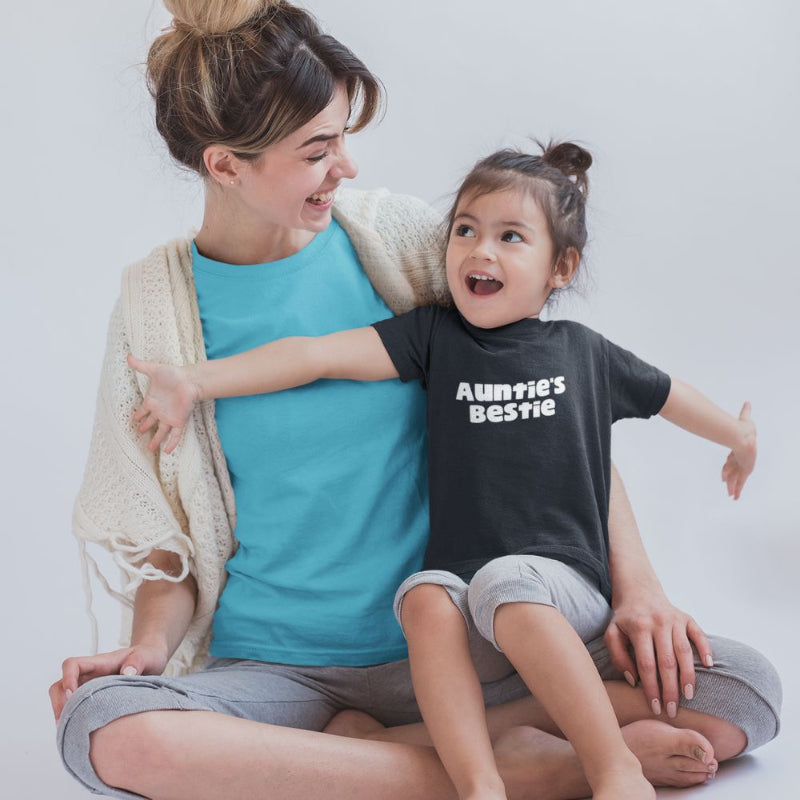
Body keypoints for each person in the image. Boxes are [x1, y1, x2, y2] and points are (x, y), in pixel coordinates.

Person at [50, 2, 781, 800]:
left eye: (344, 139)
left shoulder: (395, 243)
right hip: (279, 673)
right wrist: (148, 651)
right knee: (105, 726)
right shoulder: (156, 309)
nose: (348, 167)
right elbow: (162, 537)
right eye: (318, 149)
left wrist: (637, 587)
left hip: (465, 647)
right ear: (226, 165)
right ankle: (536, 766)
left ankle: (372, 759)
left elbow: (545, 404)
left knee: (740, 689)